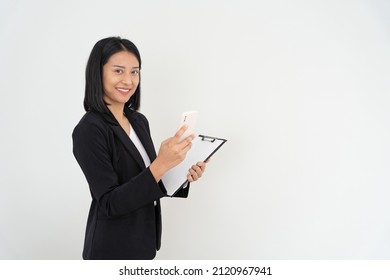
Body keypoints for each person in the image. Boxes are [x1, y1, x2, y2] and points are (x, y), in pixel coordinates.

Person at [72, 36, 206, 260]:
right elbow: (109, 203)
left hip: (143, 244)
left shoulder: (138, 121)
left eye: (134, 72)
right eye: (118, 71)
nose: (128, 80)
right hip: (111, 250)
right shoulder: (89, 129)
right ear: (98, 73)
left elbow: (147, 180)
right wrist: (160, 163)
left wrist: (182, 173)